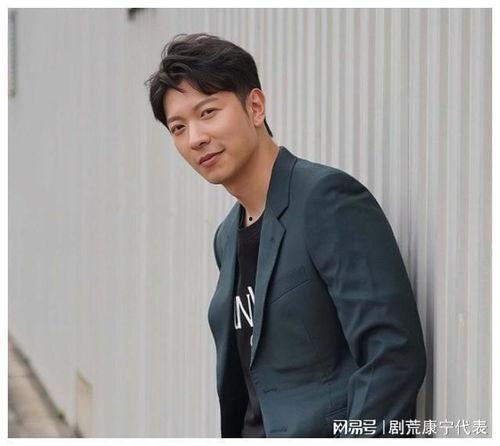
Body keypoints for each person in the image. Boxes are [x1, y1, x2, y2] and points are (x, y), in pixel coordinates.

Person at [145, 32, 427, 438]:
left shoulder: (325, 200)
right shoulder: (227, 238)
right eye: (178, 127)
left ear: (255, 107)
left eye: (208, 112)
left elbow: (393, 356)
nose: (195, 138)